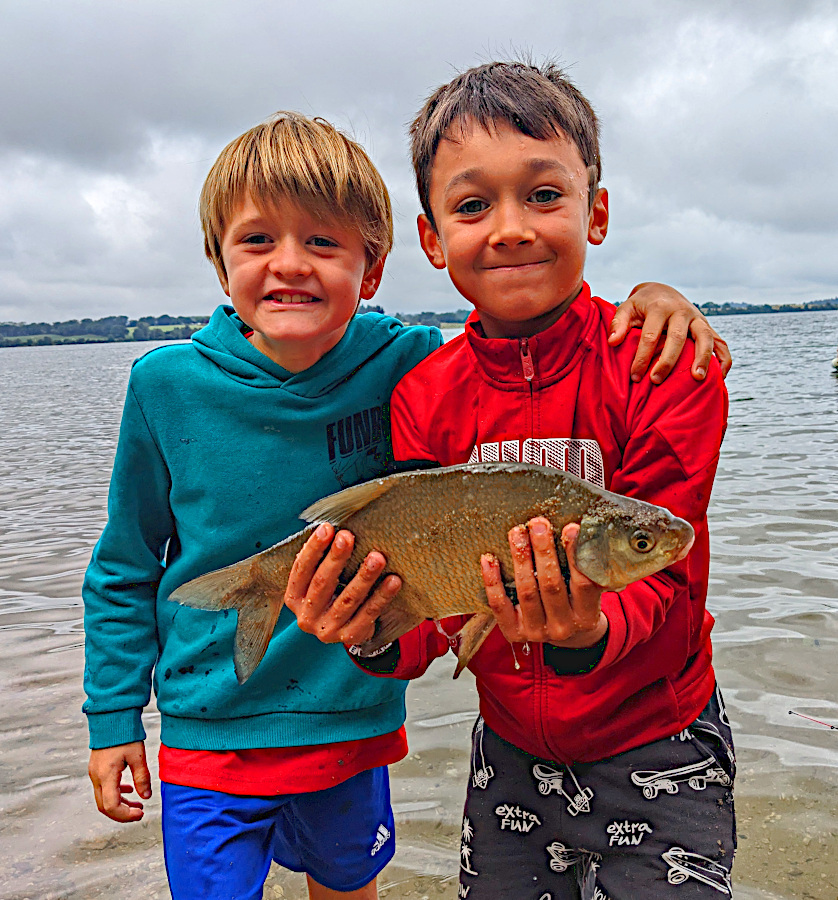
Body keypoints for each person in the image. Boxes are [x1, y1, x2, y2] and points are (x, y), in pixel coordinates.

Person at [83, 112, 727, 900]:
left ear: (375, 266)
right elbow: (123, 566)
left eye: (323, 242)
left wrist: (661, 296)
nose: (291, 264)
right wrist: (115, 719)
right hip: (224, 730)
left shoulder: (416, 363)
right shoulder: (178, 386)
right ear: (218, 264)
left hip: (423, 731)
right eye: (257, 242)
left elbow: (526, 329)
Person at [287, 63, 735, 899]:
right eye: (471, 205)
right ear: (431, 240)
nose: (510, 229)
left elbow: (666, 561)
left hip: (661, 740)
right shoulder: (424, 394)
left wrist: (587, 634)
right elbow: (426, 612)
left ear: (596, 212)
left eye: (543, 195)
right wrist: (368, 630)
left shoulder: (664, 362)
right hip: (510, 756)